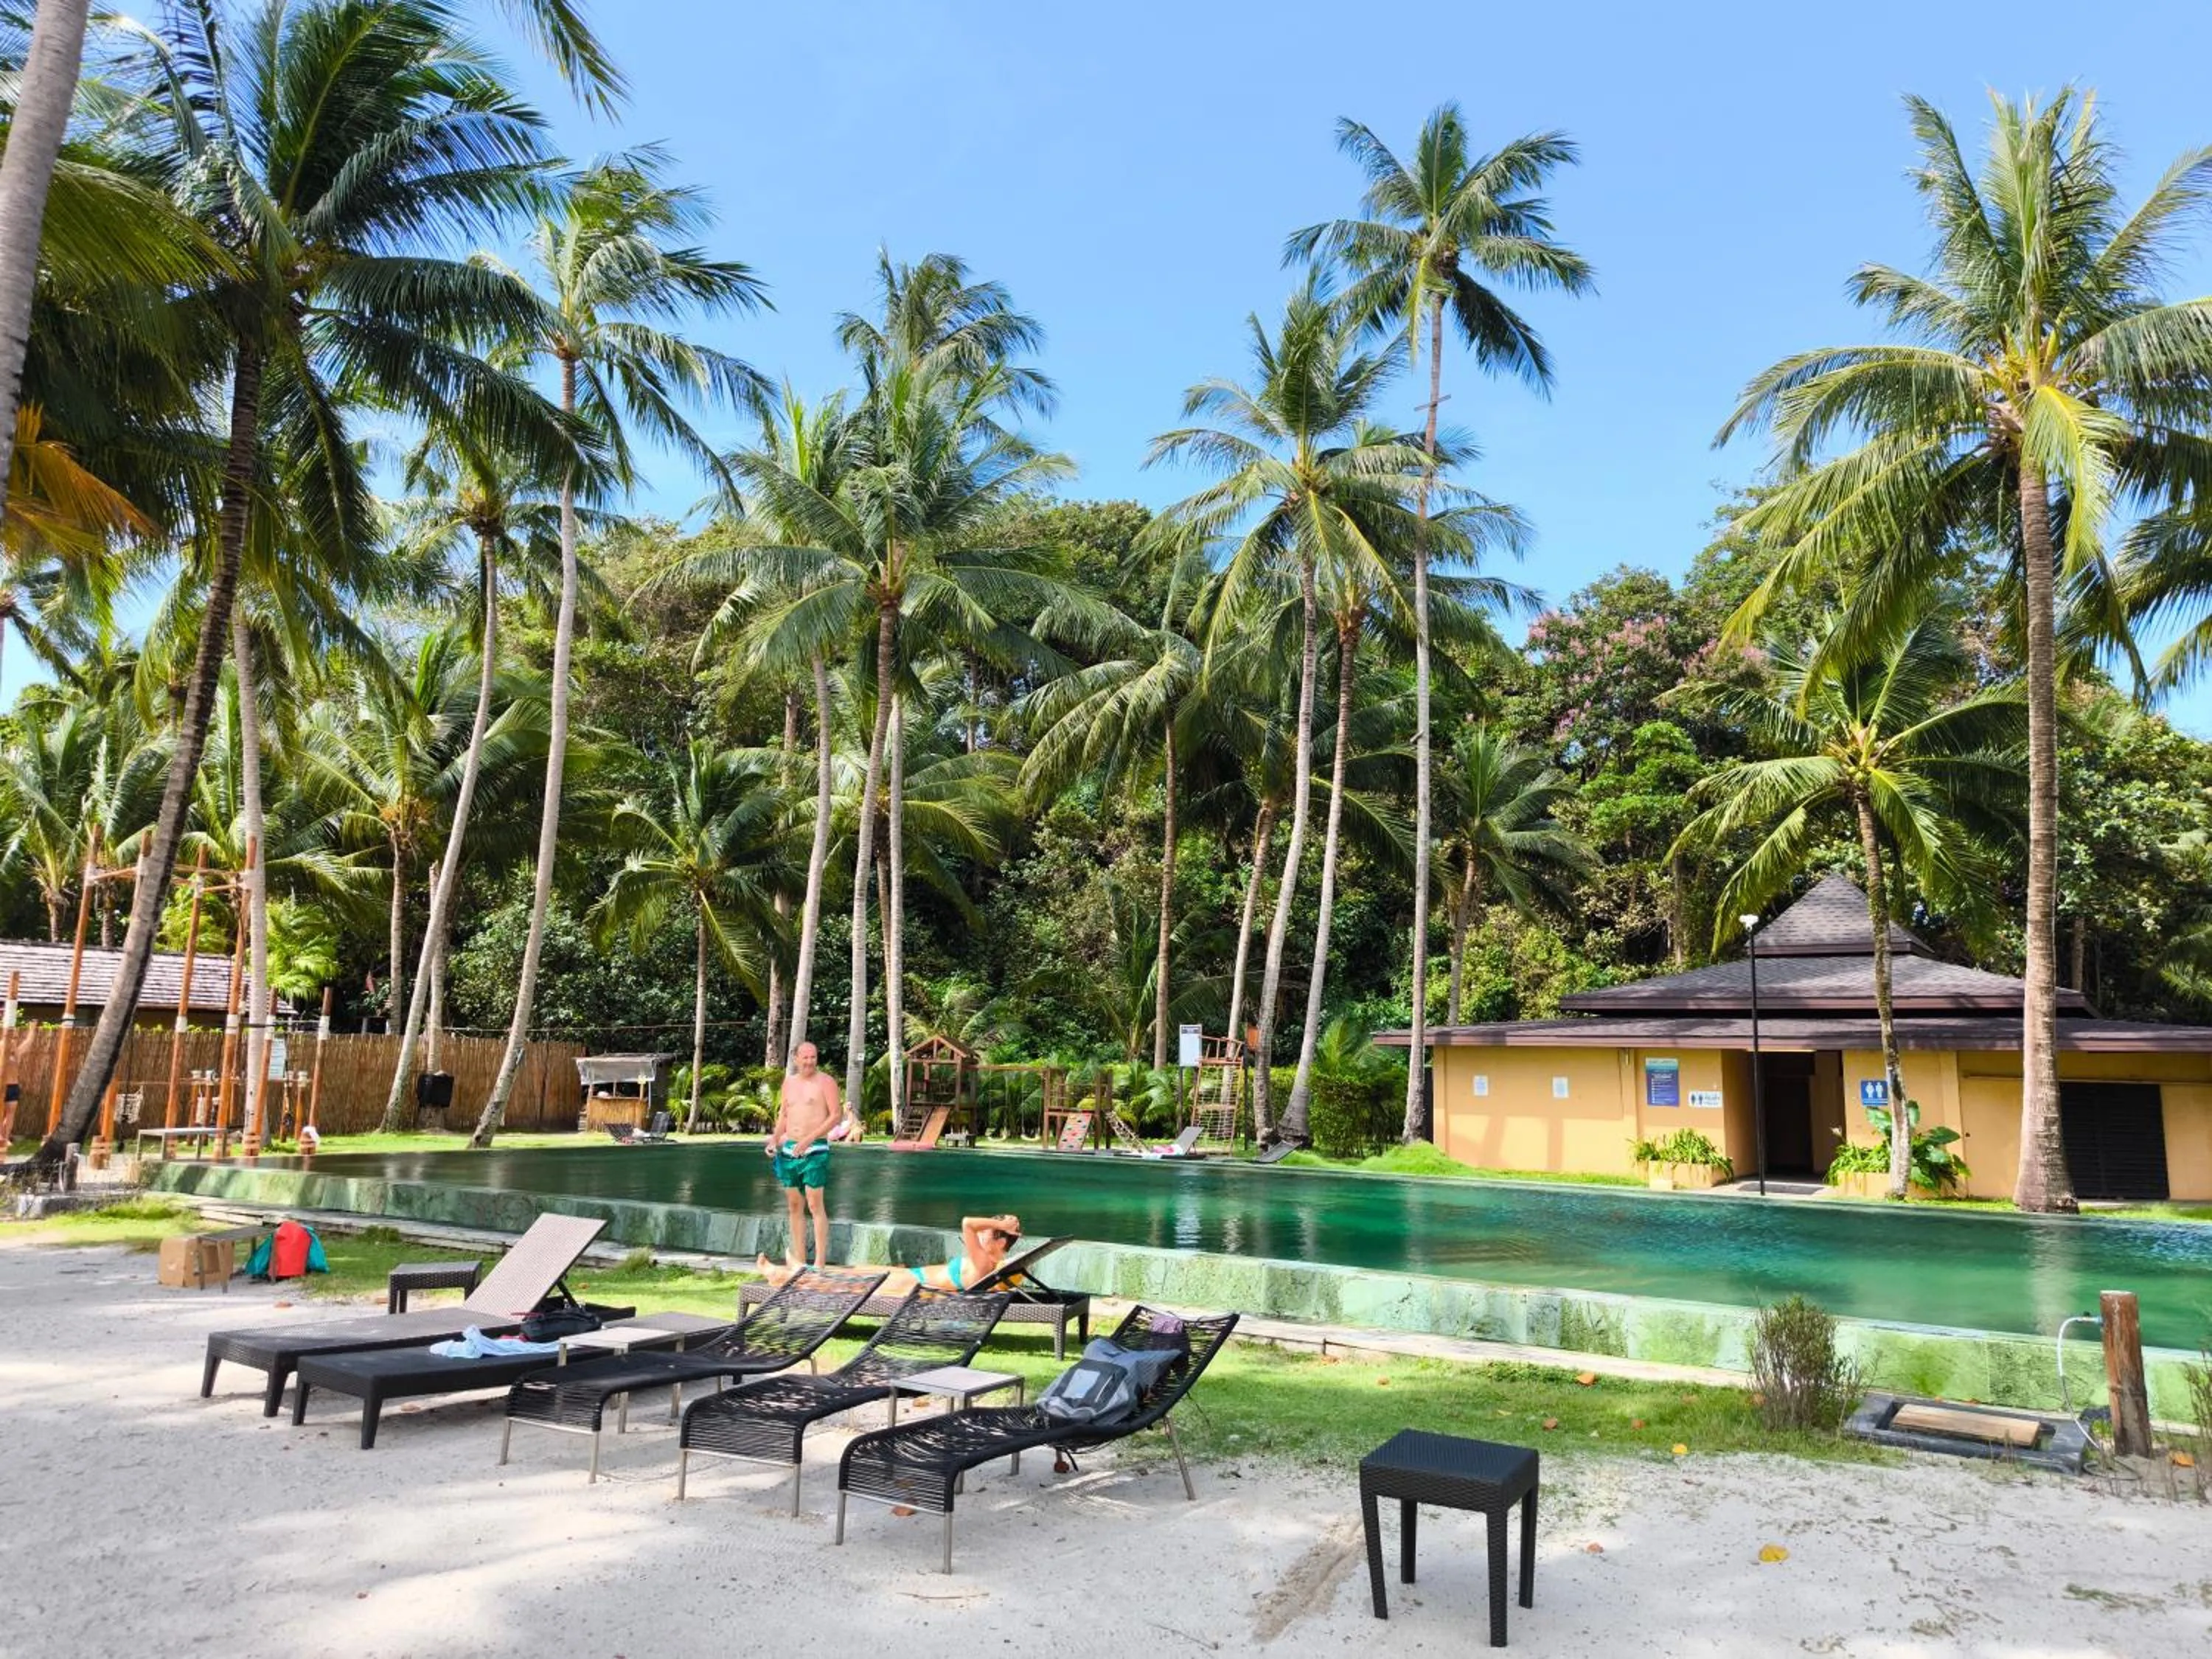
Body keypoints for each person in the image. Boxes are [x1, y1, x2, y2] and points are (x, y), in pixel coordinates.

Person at [757, 1213, 1022, 1293]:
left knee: (852, 1284)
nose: (980, 1234)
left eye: (987, 1233)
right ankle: (803, 1269)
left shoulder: (986, 1261)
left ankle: (782, 1276)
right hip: (913, 1276)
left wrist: (1000, 1225)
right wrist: (1001, 1226)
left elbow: (966, 1223)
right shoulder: (992, 1261)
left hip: (917, 1285)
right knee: (859, 1271)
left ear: (1000, 1242)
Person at [767, 1042, 845, 1270]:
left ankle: (819, 1262)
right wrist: (774, 1140)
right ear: (796, 1059)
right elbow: (784, 1115)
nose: (810, 1061)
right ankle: (799, 1261)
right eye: (806, 1057)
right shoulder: (789, 1083)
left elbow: (835, 1116)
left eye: (813, 1057)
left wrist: (809, 1139)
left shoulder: (826, 1082)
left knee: (814, 1203)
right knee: (793, 1205)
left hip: (815, 1148)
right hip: (790, 1148)